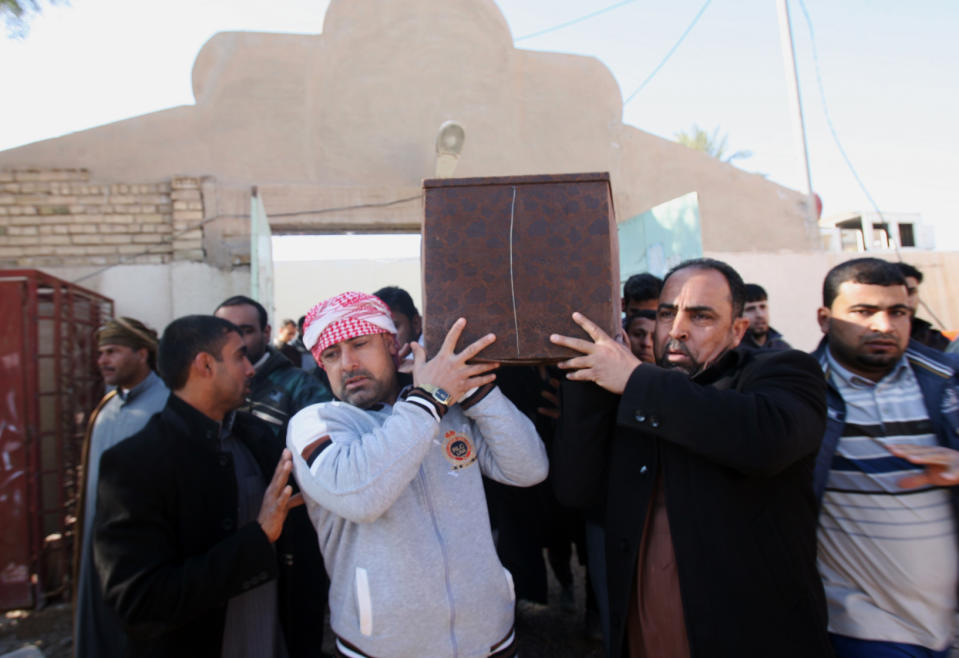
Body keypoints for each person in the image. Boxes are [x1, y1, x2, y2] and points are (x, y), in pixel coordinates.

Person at [550, 257, 831, 657]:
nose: (677, 330)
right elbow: (576, 490)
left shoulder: (782, 371)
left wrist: (633, 379)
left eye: (700, 317)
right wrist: (586, 382)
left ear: (737, 331)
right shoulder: (638, 395)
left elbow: (768, 440)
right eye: (667, 313)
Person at [286, 291, 549, 658]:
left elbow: (529, 469)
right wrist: (428, 398)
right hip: (385, 648)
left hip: (488, 639)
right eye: (331, 355)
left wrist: (475, 392)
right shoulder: (316, 424)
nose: (347, 363)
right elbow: (361, 496)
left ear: (392, 346)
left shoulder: (449, 409)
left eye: (360, 344)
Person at [93, 315, 316, 657]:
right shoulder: (133, 464)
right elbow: (139, 602)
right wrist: (257, 538)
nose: (251, 369)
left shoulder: (257, 438)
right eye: (240, 356)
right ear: (205, 365)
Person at [813, 257, 959, 658]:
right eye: (863, 312)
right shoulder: (799, 396)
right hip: (863, 626)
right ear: (825, 319)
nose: (883, 326)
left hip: (946, 627)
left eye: (898, 312)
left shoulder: (946, 383)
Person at [74, 317, 169, 658]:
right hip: (99, 549)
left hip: (145, 557)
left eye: (112, 351)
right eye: (101, 353)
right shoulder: (106, 407)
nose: (102, 361)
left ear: (142, 353)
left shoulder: (167, 407)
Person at [215, 295, 332, 435]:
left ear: (266, 333)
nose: (235, 341)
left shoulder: (301, 386)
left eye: (245, 331)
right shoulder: (206, 383)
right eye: (224, 334)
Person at [896, 262, 951, 351]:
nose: (906, 300)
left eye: (911, 292)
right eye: (898, 292)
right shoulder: (871, 341)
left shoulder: (937, 342)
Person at [741, 282, 791, 350]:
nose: (760, 315)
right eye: (750, 309)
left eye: (763, 307)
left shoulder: (782, 348)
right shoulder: (731, 351)